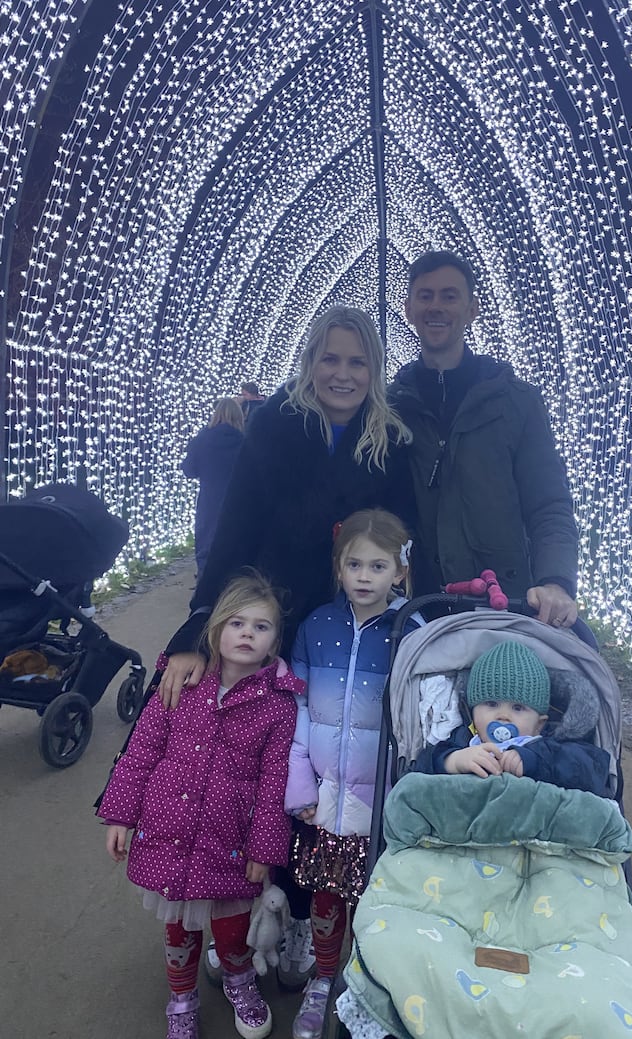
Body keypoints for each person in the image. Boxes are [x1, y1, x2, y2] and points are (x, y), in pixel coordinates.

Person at [160, 305, 414, 992]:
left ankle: (305, 915)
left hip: (343, 634)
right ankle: (240, 914)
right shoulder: (275, 424)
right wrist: (197, 626)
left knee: (325, 772)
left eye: (357, 362)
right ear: (309, 362)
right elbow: (236, 524)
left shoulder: (388, 437)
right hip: (273, 620)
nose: (342, 373)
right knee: (254, 770)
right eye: (330, 359)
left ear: (374, 370)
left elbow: (402, 537)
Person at [97, 571, 304, 1039]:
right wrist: (120, 815)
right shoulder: (182, 684)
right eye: (236, 623)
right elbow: (141, 752)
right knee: (178, 928)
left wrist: (263, 849)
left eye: (261, 626)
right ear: (214, 630)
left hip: (228, 839)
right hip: (167, 829)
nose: (247, 633)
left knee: (232, 929)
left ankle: (239, 980)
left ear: (274, 642)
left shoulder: (277, 705)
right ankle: (182, 999)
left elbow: (275, 782)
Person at [283, 508, 420, 1039]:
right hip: (323, 798)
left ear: (399, 572)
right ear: (338, 568)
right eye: (354, 564)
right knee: (324, 895)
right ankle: (322, 979)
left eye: (378, 566)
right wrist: (299, 790)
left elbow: (419, 724)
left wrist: (402, 799)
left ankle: (365, 988)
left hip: (382, 804)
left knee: (374, 899)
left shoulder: (413, 631)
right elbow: (295, 714)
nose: (365, 577)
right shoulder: (316, 627)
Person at [389, 249, 579, 628]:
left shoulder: (516, 403)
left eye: (449, 295)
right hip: (419, 608)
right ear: (409, 309)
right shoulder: (390, 408)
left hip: (507, 604)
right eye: (425, 296)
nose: (436, 307)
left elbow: (549, 504)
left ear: (472, 309)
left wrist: (555, 581)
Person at [415, 639, 609, 795]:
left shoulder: (550, 747)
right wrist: (452, 761)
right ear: (472, 712)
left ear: (539, 724)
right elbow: (419, 769)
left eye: (518, 708)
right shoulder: (464, 741)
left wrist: (535, 760)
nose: (503, 715)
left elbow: (594, 771)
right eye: (491, 704)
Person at [181, 397, 245, 577]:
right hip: (238, 503)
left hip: (209, 502)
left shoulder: (202, 439)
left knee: (206, 550)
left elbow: (189, 470)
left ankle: (204, 595)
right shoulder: (245, 441)